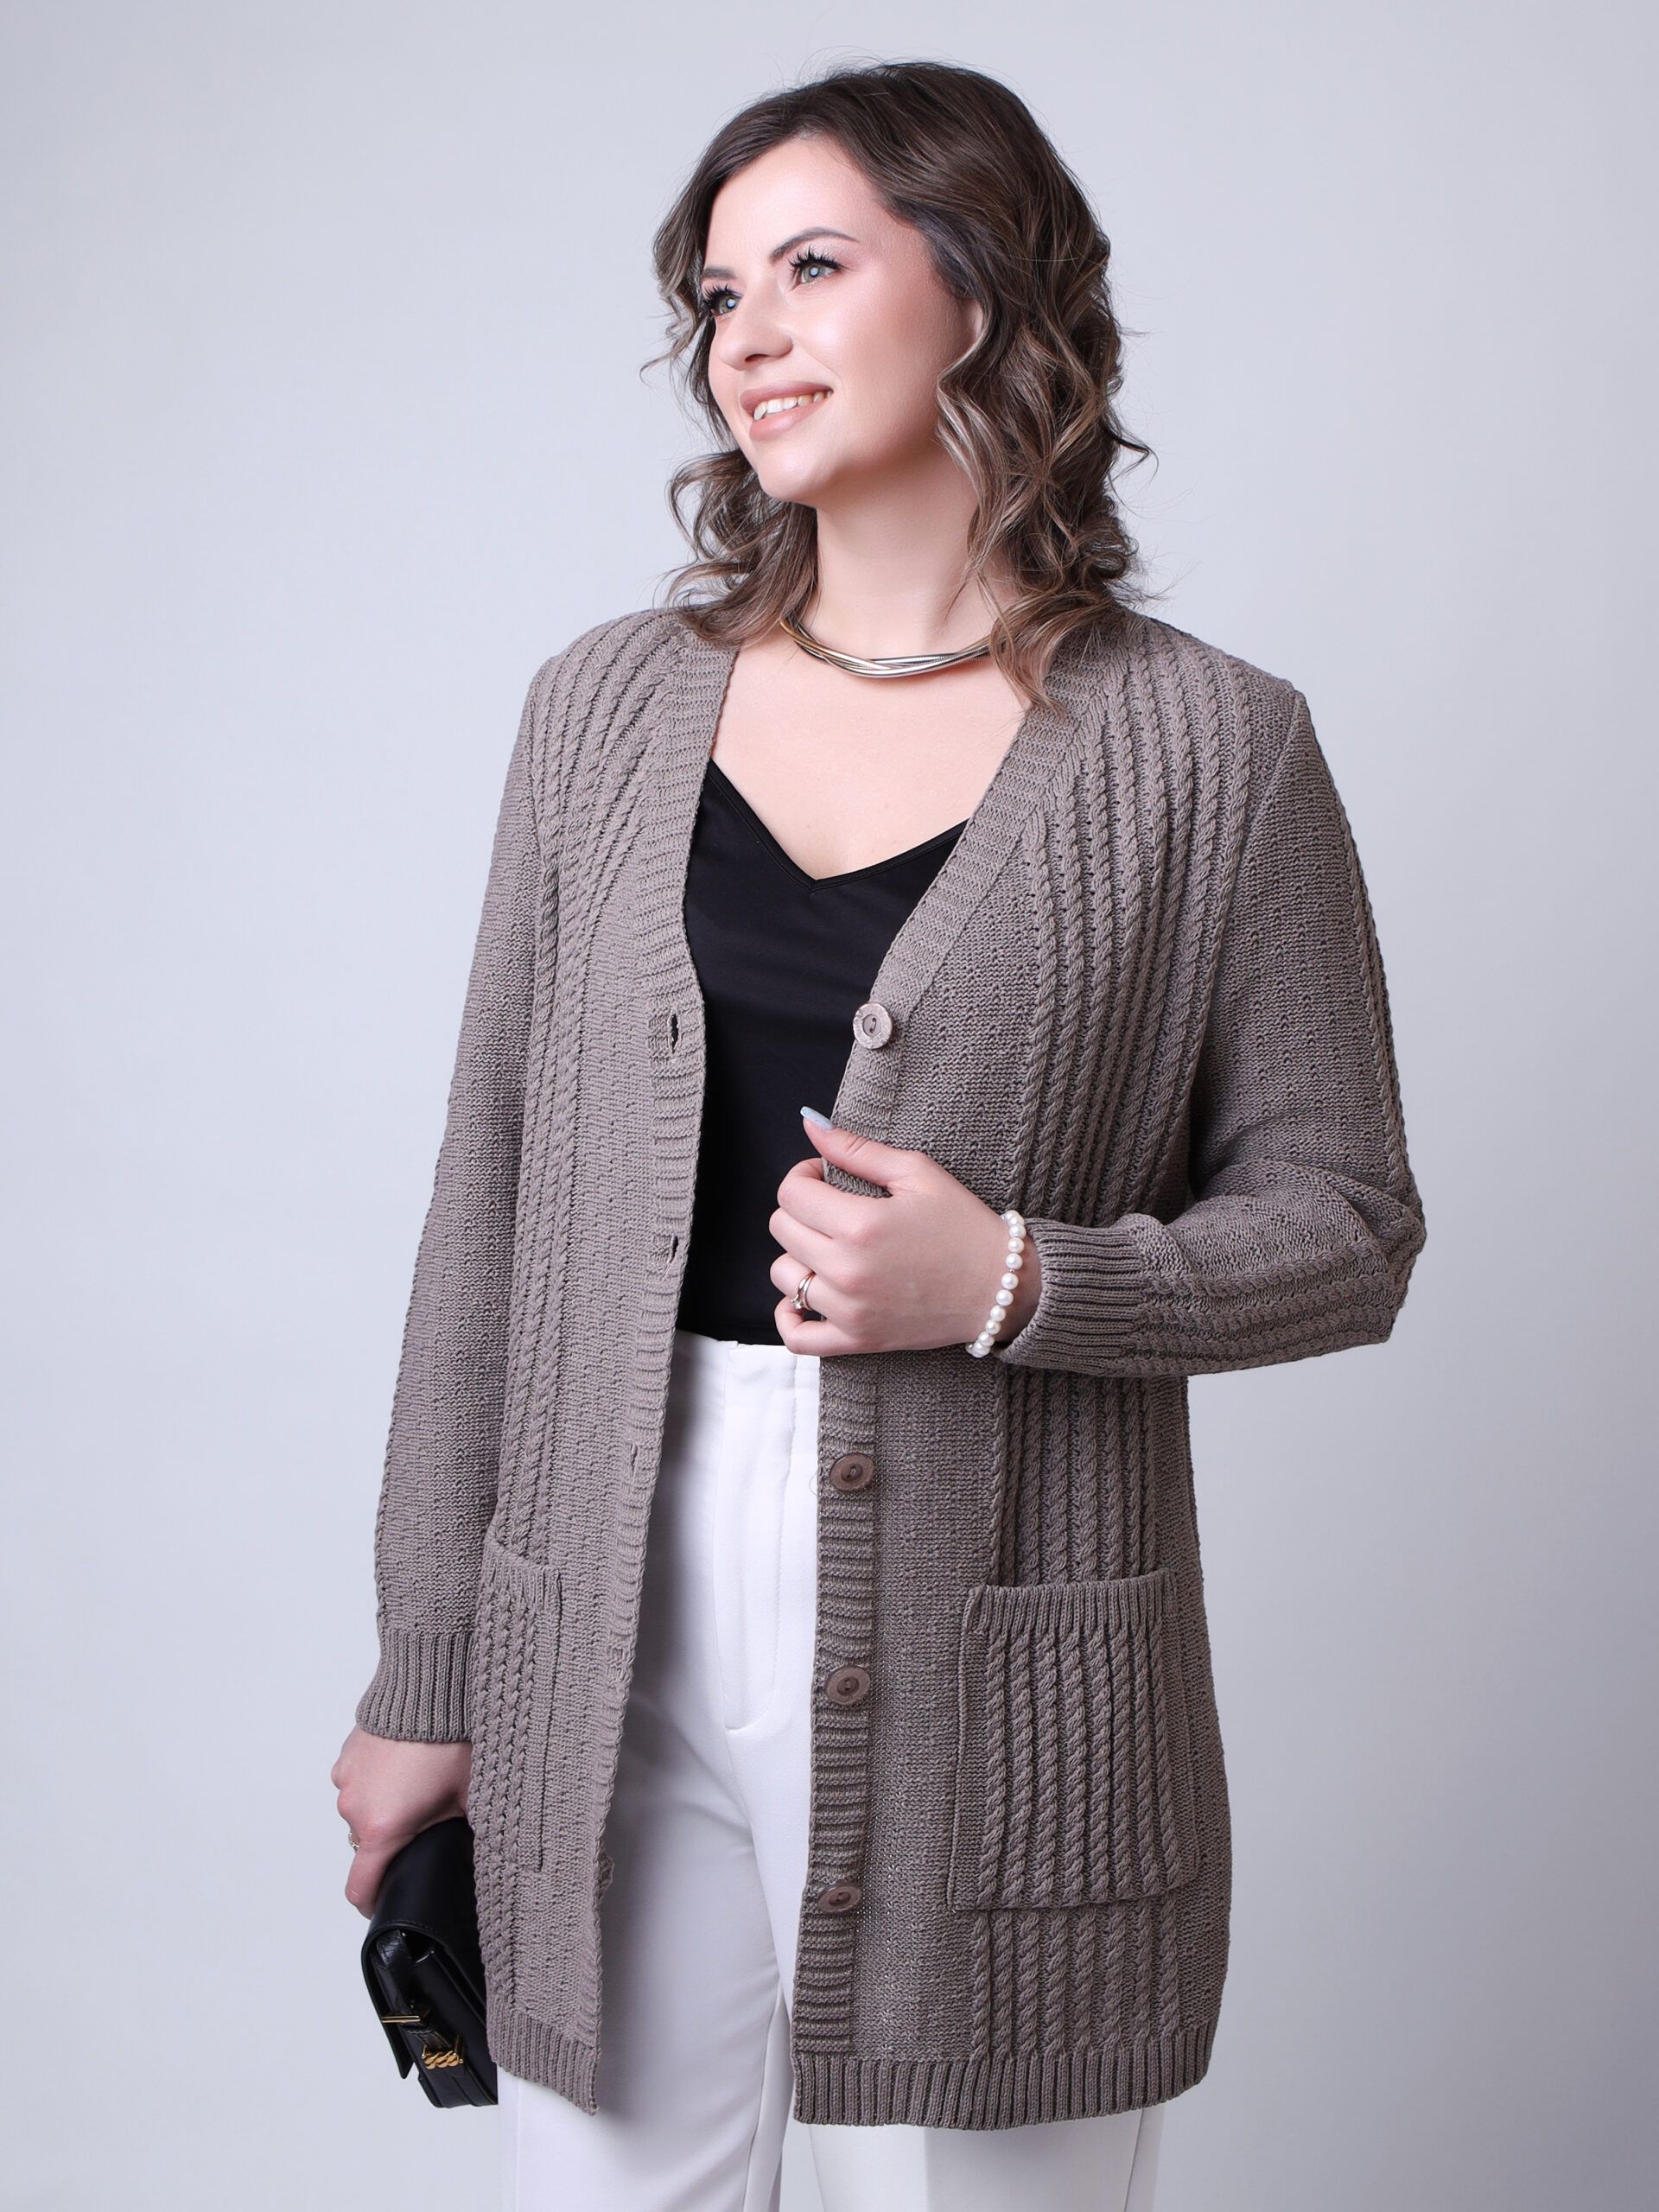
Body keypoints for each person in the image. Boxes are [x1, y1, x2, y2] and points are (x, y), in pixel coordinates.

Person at [331, 58, 1427, 2212]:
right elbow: (491, 1207)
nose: (748, 335)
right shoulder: (603, 709)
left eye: (812, 267)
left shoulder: (1210, 750)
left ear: (986, 290)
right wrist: (427, 1667)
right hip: (598, 1612)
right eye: (717, 292)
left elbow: (1349, 1220)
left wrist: (1012, 1277)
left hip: (998, 1652)